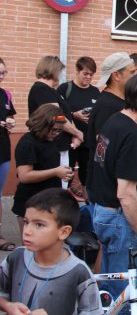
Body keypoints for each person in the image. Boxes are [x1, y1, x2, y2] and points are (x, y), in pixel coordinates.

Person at [91, 72, 137, 309]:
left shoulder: (116, 120)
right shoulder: (131, 135)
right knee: (123, 293)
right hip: (121, 220)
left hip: (107, 213)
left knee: (110, 285)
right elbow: (126, 192)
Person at [0, 188, 102, 315]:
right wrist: (7, 305)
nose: (27, 231)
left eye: (39, 225)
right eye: (26, 222)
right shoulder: (16, 258)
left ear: (63, 232)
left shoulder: (79, 272)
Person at [12, 104, 72, 237]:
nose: (56, 134)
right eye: (54, 130)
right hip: (30, 202)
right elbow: (24, 176)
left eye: (59, 131)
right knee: (31, 248)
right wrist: (55, 172)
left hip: (49, 200)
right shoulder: (28, 143)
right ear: (43, 125)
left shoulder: (49, 140)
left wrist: (62, 173)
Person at [86, 52, 137, 202]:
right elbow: (103, 145)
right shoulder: (108, 105)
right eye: (132, 72)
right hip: (109, 190)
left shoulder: (121, 100)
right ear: (116, 75)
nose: (136, 76)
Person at [28, 56, 84, 189]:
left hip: (61, 145)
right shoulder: (42, 89)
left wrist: (74, 135)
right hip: (52, 146)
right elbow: (57, 117)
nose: (60, 75)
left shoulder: (52, 91)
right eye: (59, 71)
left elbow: (66, 115)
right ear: (53, 70)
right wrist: (77, 133)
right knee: (57, 187)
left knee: (63, 185)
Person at [57, 57, 100, 200]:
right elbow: (57, 113)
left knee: (87, 174)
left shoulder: (95, 92)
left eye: (91, 74)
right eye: (85, 74)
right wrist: (74, 115)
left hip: (88, 139)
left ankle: (88, 204)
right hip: (69, 139)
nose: (88, 77)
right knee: (67, 171)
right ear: (77, 71)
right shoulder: (65, 88)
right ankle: (64, 202)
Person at [0, 58, 16, 251]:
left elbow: (9, 115)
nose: (2, 77)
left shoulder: (5, 94)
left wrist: (10, 122)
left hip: (2, 149)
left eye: (4, 73)